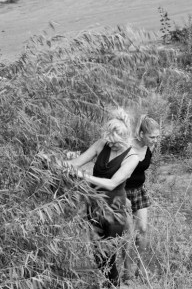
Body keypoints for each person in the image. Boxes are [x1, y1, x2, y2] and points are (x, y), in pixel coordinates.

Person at [66, 114, 139, 287]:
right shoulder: (101, 144)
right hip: (94, 204)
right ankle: (110, 284)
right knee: (97, 252)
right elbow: (75, 163)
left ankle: (114, 285)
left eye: (115, 142)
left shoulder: (132, 157)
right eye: (109, 141)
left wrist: (84, 176)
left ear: (126, 137)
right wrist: (53, 162)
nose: (111, 145)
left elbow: (113, 183)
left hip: (115, 208)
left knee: (110, 254)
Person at [123, 114, 161, 281]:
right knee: (128, 233)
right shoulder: (126, 146)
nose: (155, 140)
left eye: (157, 137)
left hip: (139, 191)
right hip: (122, 192)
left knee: (143, 230)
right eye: (152, 137)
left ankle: (140, 268)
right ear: (141, 134)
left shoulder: (149, 147)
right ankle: (127, 271)